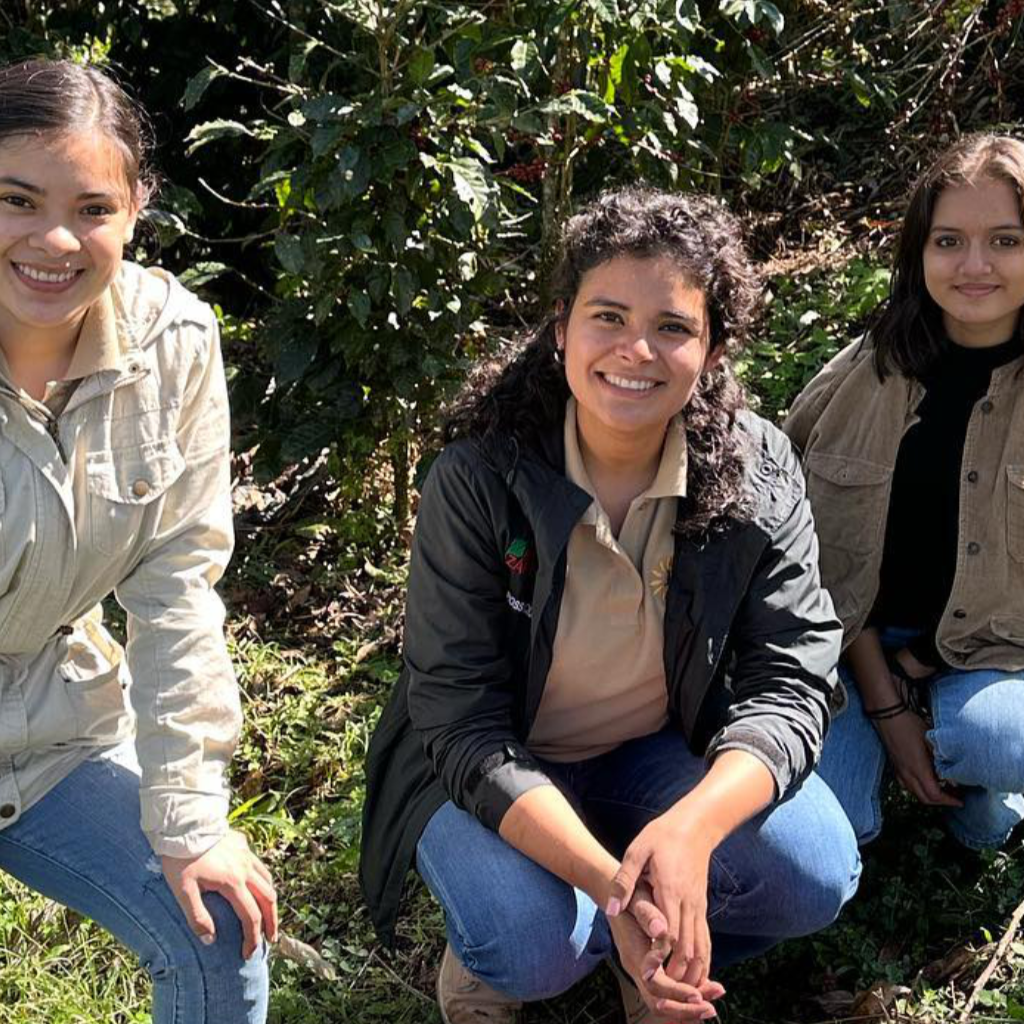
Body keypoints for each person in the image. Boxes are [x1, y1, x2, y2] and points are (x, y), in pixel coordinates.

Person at [360, 185, 860, 1023]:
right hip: (499, 761)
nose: (636, 350)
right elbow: (460, 718)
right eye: (608, 317)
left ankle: (650, 940)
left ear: (713, 348)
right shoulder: (479, 478)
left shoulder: (757, 467)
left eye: (673, 327)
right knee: (530, 943)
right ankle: (568, 937)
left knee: (813, 872)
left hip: (652, 749)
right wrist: (611, 886)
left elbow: (794, 675)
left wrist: (692, 829)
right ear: (561, 328)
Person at [0, 58, 275, 1023]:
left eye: (92, 208)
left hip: (48, 722)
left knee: (219, 932)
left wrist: (189, 819)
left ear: (136, 210)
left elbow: (178, 588)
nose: (55, 240)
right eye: (16, 200)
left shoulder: (174, 345)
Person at [784, 134, 1024, 853]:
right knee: (829, 832)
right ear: (919, 251)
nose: (974, 265)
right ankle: (891, 750)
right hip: (850, 652)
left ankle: (974, 774)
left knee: (996, 748)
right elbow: (806, 551)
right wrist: (888, 706)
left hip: (993, 653)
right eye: (949, 240)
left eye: (1006, 240)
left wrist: (926, 665)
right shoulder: (860, 378)